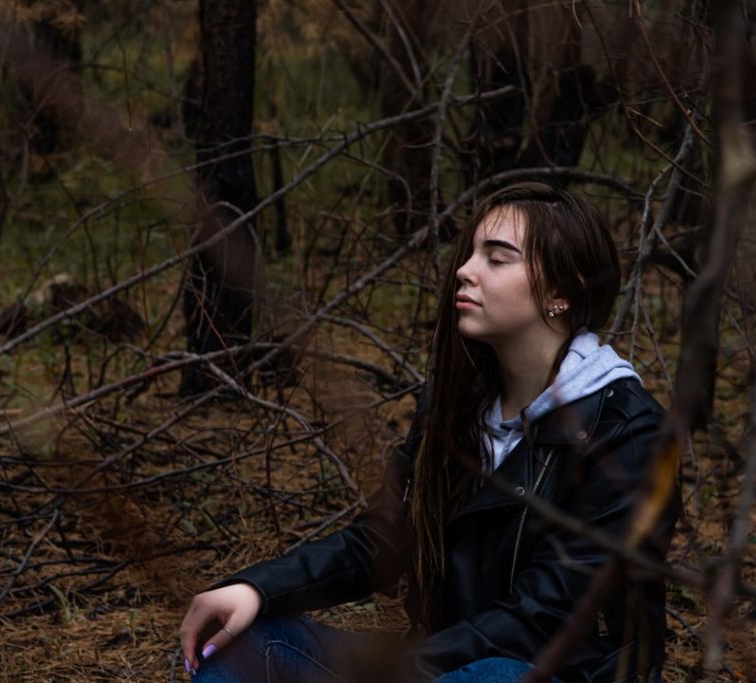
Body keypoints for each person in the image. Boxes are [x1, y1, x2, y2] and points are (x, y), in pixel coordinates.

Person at [179, 182, 680, 683]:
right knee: (248, 645)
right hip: (439, 666)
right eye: (471, 254)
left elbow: (545, 620)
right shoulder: (457, 406)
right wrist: (258, 589)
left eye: (497, 258)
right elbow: (381, 540)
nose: (464, 269)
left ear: (560, 293)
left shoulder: (626, 433)